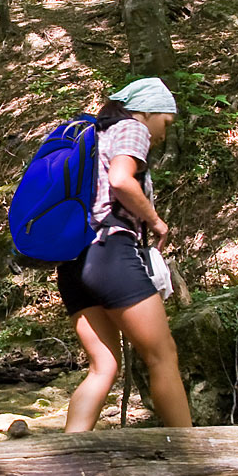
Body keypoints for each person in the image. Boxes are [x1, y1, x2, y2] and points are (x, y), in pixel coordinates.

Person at [58, 77, 193, 432]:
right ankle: (193, 454)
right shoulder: (132, 127)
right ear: (148, 112)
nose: (164, 134)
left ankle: (68, 460)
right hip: (110, 254)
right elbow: (121, 180)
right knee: (163, 356)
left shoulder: (95, 138)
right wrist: (156, 221)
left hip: (73, 263)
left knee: (104, 366)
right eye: (166, 122)